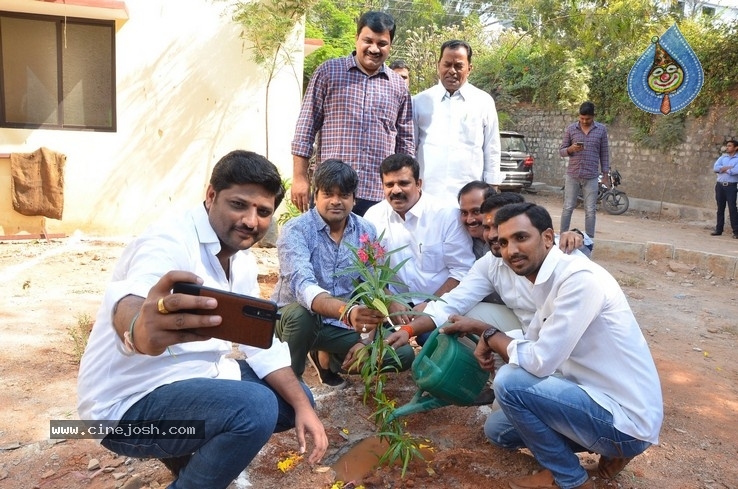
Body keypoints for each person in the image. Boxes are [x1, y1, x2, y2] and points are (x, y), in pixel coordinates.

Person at [77, 150, 328, 489]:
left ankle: (185, 458)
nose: (251, 221)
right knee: (255, 408)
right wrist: (138, 329)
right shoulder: (168, 240)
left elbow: (260, 342)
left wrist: (304, 407)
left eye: (263, 211)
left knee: (295, 400)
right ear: (211, 196)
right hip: (125, 412)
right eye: (239, 205)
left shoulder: (241, 262)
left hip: (191, 384)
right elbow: (130, 301)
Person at [444, 203, 663, 489]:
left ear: (548, 238)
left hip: (626, 421)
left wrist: (489, 335)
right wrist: (489, 335)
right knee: (498, 430)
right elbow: (533, 340)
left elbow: (540, 361)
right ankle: (609, 452)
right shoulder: (547, 280)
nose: (511, 251)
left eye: (521, 238)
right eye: (503, 242)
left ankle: (570, 478)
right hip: (593, 399)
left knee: (510, 383)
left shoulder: (579, 280)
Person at [272, 159, 415, 388]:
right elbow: (303, 285)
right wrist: (347, 312)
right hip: (296, 323)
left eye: (344, 195)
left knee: (402, 354)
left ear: (354, 198)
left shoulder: (365, 230)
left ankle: (330, 359)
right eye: (328, 194)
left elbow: (370, 283)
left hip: (342, 324)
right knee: (302, 316)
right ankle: (291, 381)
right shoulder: (296, 230)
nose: (336, 201)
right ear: (315, 195)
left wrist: (365, 338)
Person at [396, 191, 584, 348]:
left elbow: (558, 344)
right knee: (459, 318)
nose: (493, 235)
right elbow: (452, 302)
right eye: (487, 227)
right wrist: (408, 331)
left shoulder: (567, 262)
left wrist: (491, 335)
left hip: (569, 346)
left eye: (500, 226)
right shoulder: (490, 262)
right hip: (526, 330)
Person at [291, 11, 414, 217]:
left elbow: (405, 143)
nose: (374, 49)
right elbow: (305, 128)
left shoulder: (398, 87)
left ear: (390, 45)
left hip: (377, 195)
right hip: (332, 192)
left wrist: (402, 188)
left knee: (373, 250)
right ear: (357, 38)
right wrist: (299, 178)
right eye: (368, 41)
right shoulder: (328, 73)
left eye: (382, 43)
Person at [364, 154, 475, 325]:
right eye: (389, 185)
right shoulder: (373, 216)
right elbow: (367, 268)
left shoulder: (446, 215)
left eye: (403, 183)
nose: (396, 190)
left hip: (439, 306)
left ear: (418, 184)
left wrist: (431, 304)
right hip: (392, 307)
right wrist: (389, 299)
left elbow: (462, 270)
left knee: (440, 344)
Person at [413, 40, 501, 207]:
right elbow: (411, 148)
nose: (452, 71)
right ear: (438, 65)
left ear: (469, 68)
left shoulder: (483, 102)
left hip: (470, 201)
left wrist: (492, 190)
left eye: (458, 66)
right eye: (447, 64)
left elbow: (492, 148)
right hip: (427, 196)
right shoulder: (419, 102)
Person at [559, 101, 610, 239]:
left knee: (590, 210)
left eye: (587, 119)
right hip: (573, 175)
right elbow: (561, 151)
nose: (584, 121)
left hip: (592, 176)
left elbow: (604, 153)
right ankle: (562, 237)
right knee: (568, 207)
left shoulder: (601, 130)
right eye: (581, 118)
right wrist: (571, 149)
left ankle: (589, 241)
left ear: (593, 116)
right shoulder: (571, 129)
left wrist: (605, 175)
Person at [457, 180, 495, 259]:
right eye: (464, 213)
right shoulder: (459, 239)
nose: (469, 220)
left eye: (476, 211)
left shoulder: (507, 240)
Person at [710, 139, 738, 238]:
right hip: (720, 185)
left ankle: (736, 231)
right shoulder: (723, 157)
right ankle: (718, 229)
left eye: (730, 146)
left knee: (732, 208)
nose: (727, 147)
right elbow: (715, 168)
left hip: (731, 186)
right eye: (727, 145)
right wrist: (727, 168)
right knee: (720, 208)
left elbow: (736, 171)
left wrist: (723, 169)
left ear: (736, 147)